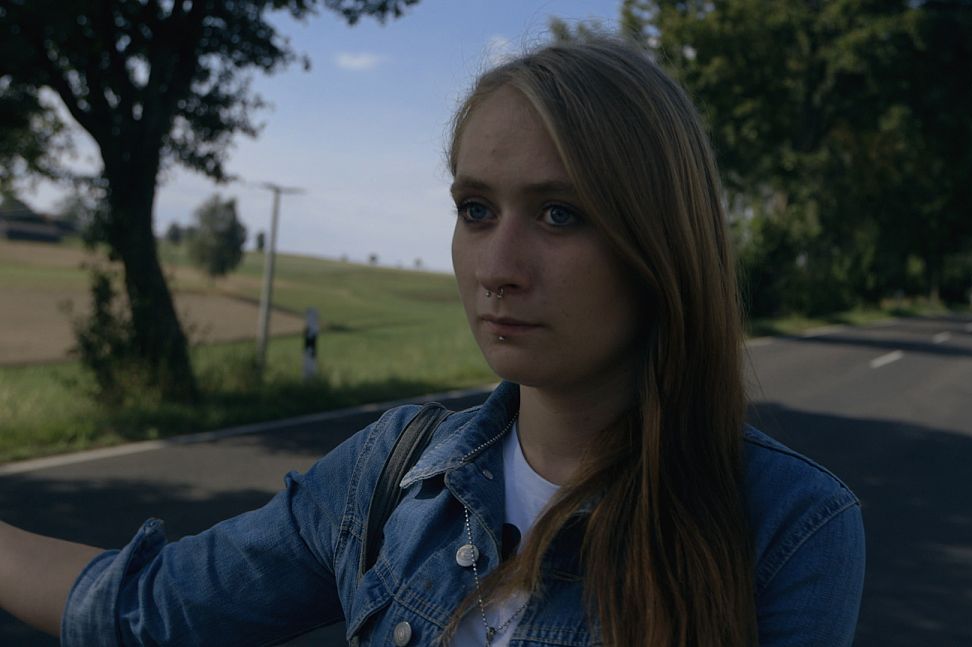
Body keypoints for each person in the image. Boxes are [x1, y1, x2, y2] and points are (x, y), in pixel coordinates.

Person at [0, 36, 864, 646]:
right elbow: (152, 610)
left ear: (661, 243)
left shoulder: (787, 526)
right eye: (475, 209)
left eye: (559, 214)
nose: (498, 267)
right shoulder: (392, 471)